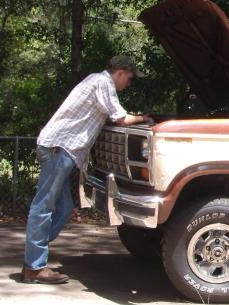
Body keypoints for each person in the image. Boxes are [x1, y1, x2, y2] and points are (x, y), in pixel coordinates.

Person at [22, 56, 153, 284]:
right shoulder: (103, 83)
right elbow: (121, 119)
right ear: (121, 72)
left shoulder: (95, 81)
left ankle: (35, 251)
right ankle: (34, 266)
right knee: (43, 206)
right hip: (59, 149)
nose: (128, 83)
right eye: (130, 78)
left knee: (64, 209)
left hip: (61, 150)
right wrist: (146, 118)